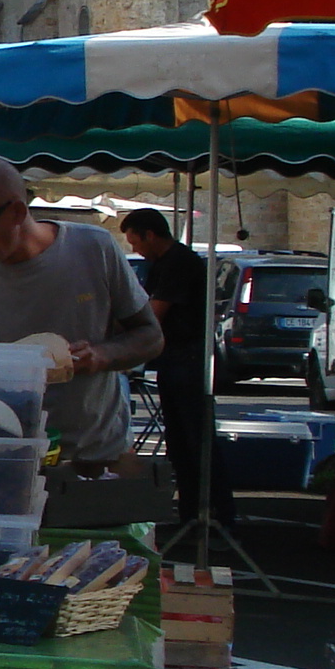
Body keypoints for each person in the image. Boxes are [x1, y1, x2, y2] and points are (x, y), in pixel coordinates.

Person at [0, 156, 161, 470]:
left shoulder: (95, 249)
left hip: (98, 456)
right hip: (7, 462)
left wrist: (101, 355)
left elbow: (151, 336)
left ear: (17, 213)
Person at [122, 207, 237, 525]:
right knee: (179, 443)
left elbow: (154, 313)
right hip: (173, 358)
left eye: (136, 243)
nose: (136, 251)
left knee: (197, 441)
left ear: (150, 235)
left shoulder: (179, 263)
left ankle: (218, 515)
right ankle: (189, 513)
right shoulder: (162, 264)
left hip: (189, 359)